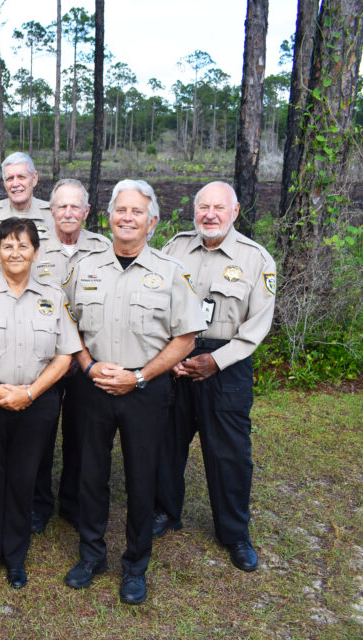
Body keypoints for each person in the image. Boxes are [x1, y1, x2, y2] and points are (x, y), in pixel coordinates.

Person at [62, 179, 206, 605]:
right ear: (109, 217)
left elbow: (186, 338)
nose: (127, 218)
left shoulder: (170, 272)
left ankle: (135, 564)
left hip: (145, 389)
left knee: (143, 479)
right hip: (93, 386)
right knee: (90, 475)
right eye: (120, 210)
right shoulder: (84, 268)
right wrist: (87, 365)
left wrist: (140, 376)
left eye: (137, 211)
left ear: (152, 221)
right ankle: (92, 555)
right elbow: (66, 322)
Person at [153, 181, 276, 573]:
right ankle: (165, 511)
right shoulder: (173, 249)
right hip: (176, 359)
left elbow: (256, 327)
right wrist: (167, 356)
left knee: (229, 453)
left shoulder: (256, 259)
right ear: (194, 210)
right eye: (203, 207)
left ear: (234, 211)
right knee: (166, 442)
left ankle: (234, 532)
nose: (209, 215)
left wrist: (216, 362)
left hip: (227, 364)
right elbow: (156, 306)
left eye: (218, 208)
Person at [0, 217, 80, 591]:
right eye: (7, 246)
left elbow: (65, 355)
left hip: (36, 402)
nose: (15, 252)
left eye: (23, 245)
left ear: (36, 252)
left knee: (23, 479)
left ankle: (14, 557)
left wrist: (28, 394)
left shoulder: (53, 296)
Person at [30, 179, 112, 534]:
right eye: (61, 206)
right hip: (42, 357)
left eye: (75, 206)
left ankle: (73, 502)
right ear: (51, 210)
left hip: (87, 359)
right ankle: (38, 503)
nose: (68, 212)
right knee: (40, 433)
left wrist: (83, 358)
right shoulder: (33, 247)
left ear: (87, 211)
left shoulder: (103, 248)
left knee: (82, 434)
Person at [0, 152, 55, 242]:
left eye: (21, 177)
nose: (15, 184)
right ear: (4, 183)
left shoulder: (53, 214)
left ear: (34, 178)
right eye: (10, 178)